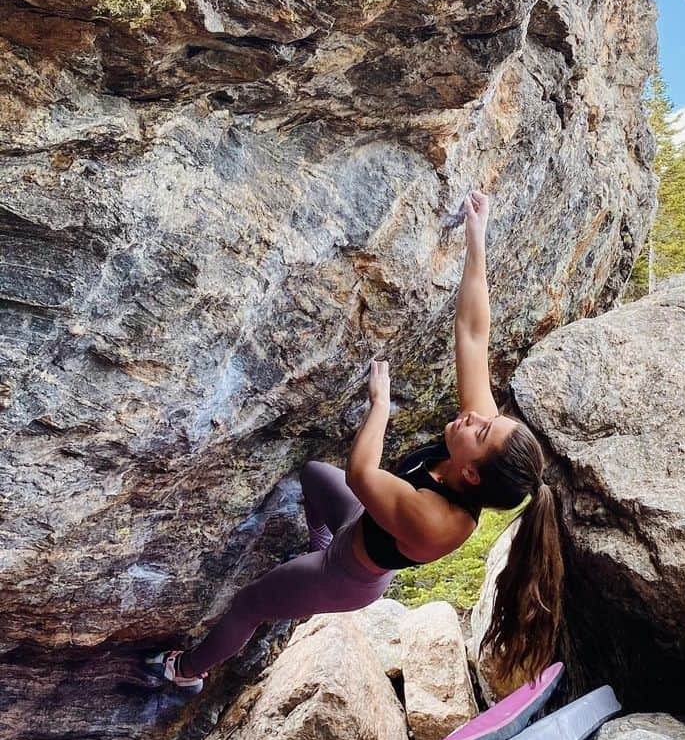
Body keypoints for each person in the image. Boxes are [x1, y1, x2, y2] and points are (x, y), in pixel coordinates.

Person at [146, 190, 564, 696]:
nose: (475, 416)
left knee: (249, 604)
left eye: (481, 430)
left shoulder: (440, 521)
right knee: (312, 476)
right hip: (355, 527)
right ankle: (306, 565)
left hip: (345, 574)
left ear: (472, 473)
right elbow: (473, 334)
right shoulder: (476, 447)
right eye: (487, 420)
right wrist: (477, 239)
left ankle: (185, 672)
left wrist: (380, 408)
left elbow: (363, 474)